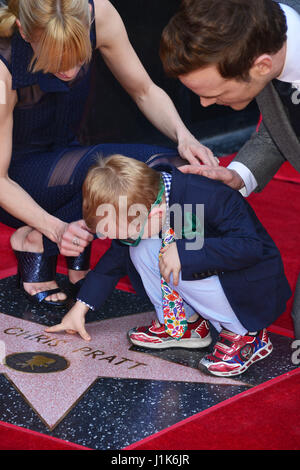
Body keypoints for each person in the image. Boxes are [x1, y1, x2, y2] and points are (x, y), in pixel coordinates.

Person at [0, 0, 218, 308]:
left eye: (78, 58)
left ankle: (197, 283)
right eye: (57, 61)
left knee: (174, 168)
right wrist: (56, 228)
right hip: (14, 180)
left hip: (68, 155)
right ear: (24, 31)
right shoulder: (2, 64)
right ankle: (38, 238)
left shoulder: (98, 13)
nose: (71, 71)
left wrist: (184, 136)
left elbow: (143, 90)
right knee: (141, 168)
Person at [45, 155, 291, 377]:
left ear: (152, 215)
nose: (119, 240)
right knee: (139, 248)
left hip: (252, 286)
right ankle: (183, 325)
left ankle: (247, 335)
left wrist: (184, 254)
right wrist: (80, 308)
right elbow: (113, 260)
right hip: (215, 273)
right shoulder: (148, 198)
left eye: (124, 233)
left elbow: (251, 247)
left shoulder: (206, 195)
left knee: (175, 255)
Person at [159, 0, 300, 339]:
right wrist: (240, 173)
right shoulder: (264, 36)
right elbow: (282, 125)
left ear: (262, 66)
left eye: (216, 93)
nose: (206, 104)